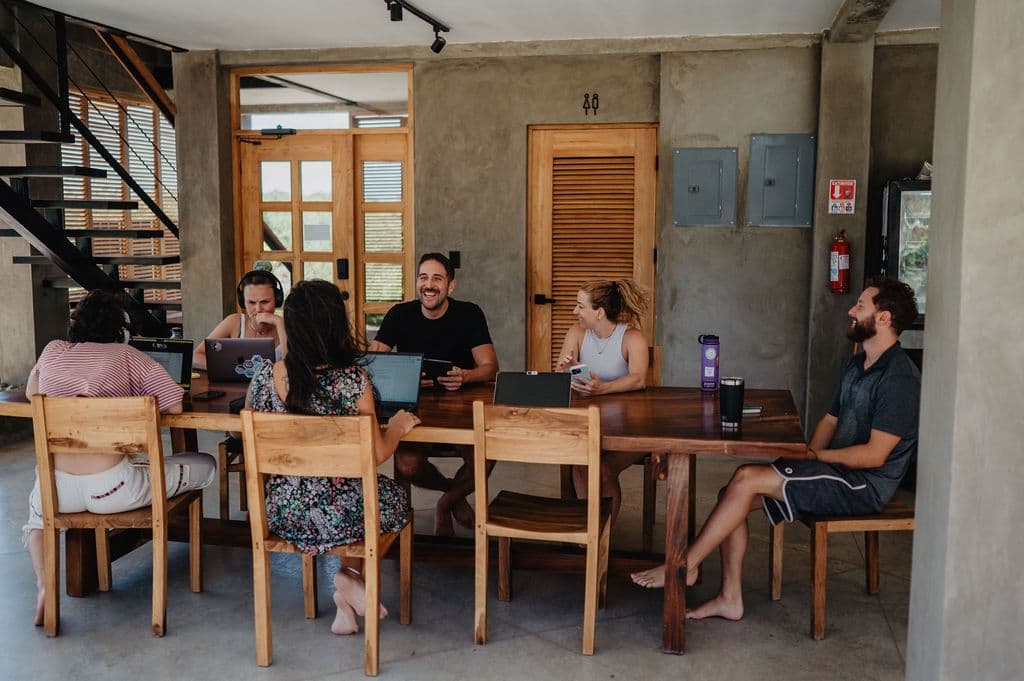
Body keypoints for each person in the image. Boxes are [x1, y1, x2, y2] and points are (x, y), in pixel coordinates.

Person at [631, 277, 921, 624]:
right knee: (733, 493)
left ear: (884, 318)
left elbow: (875, 455)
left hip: (863, 485)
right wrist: (804, 457)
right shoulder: (857, 363)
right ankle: (729, 598)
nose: (851, 311)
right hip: (836, 472)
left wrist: (814, 458)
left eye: (860, 306)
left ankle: (684, 565)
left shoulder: (899, 378)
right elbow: (830, 419)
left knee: (746, 478)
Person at [23, 290, 217, 627]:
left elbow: (31, 392)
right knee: (206, 464)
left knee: (35, 521)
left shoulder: (53, 350)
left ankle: (44, 587)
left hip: (54, 491)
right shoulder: (127, 355)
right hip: (113, 489)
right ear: (122, 329)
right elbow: (173, 405)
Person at [246, 279, 420, 636]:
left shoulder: (266, 376)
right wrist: (397, 428)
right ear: (336, 324)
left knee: (358, 494)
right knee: (385, 497)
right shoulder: (353, 380)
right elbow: (376, 454)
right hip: (342, 513)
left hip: (283, 512)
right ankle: (348, 577)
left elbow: (241, 433)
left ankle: (346, 599)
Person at [368, 252, 499, 536]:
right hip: (416, 407)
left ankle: (445, 503)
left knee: (486, 457)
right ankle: (453, 495)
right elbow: (374, 364)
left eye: (437, 279)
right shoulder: (399, 314)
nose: (429, 285)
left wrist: (466, 375)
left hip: (463, 408)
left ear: (450, 286)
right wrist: (408, 378)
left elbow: (489, 367)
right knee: (407, 465)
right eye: (423, 278)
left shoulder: (469, 313)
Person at [554, 278, 651, 525]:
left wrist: (603, 388)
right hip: (588, 425)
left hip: (630, 430)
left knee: (603, 468)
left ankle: (601, 535)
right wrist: (569, 369)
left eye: (580, 306)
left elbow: (639, 379)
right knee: (581, 464)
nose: (574, 311)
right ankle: (590, 533)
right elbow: (559, 377)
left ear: (599, 312)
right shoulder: (576, 333)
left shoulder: (632, 337)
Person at [192, 269, 287, 370]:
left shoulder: (285, 325)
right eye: (251, 302)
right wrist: (233, 368)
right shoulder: (234, 322)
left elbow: (293, 369)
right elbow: (195, 357)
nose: (258, 309)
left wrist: (279, 322)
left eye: (265, 302)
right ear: (243, 302)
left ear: (277, 300)